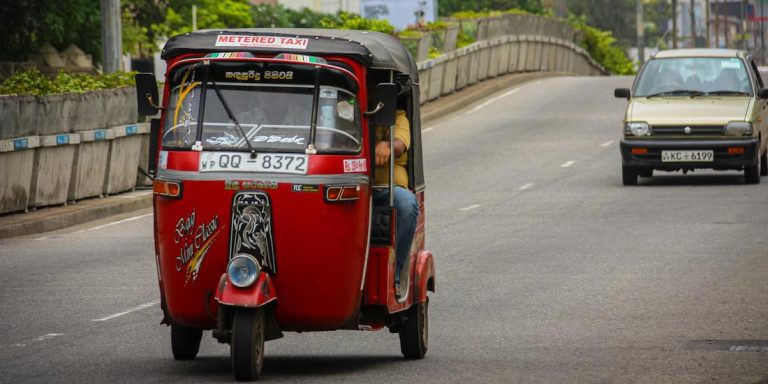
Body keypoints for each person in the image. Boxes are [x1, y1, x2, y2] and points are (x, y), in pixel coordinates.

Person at [373, 109, 419, 287]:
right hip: (351, 184)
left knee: (407, 204)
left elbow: (400, 144)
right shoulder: (340, 108)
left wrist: (388, 145)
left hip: (387, 189)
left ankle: (395, 273)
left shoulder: (396, 117)